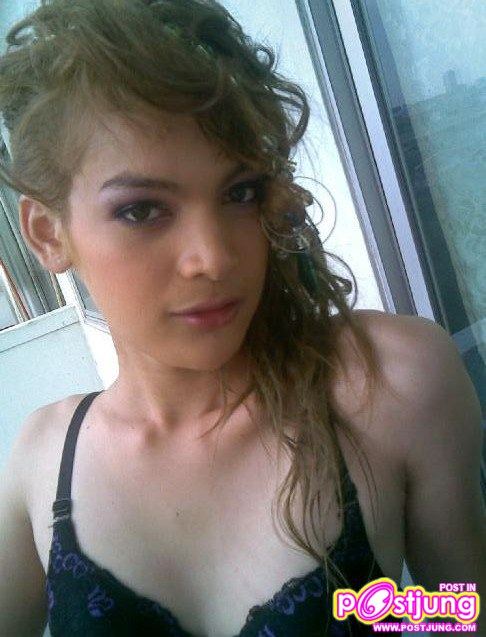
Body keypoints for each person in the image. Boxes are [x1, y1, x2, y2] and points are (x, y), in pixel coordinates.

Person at [0, 0, 484, 635]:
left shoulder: (389, 382)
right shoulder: (41, 461)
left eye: (240, 193)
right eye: (142, 210)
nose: (215, 257)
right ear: (47, 233)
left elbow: (463, 612)